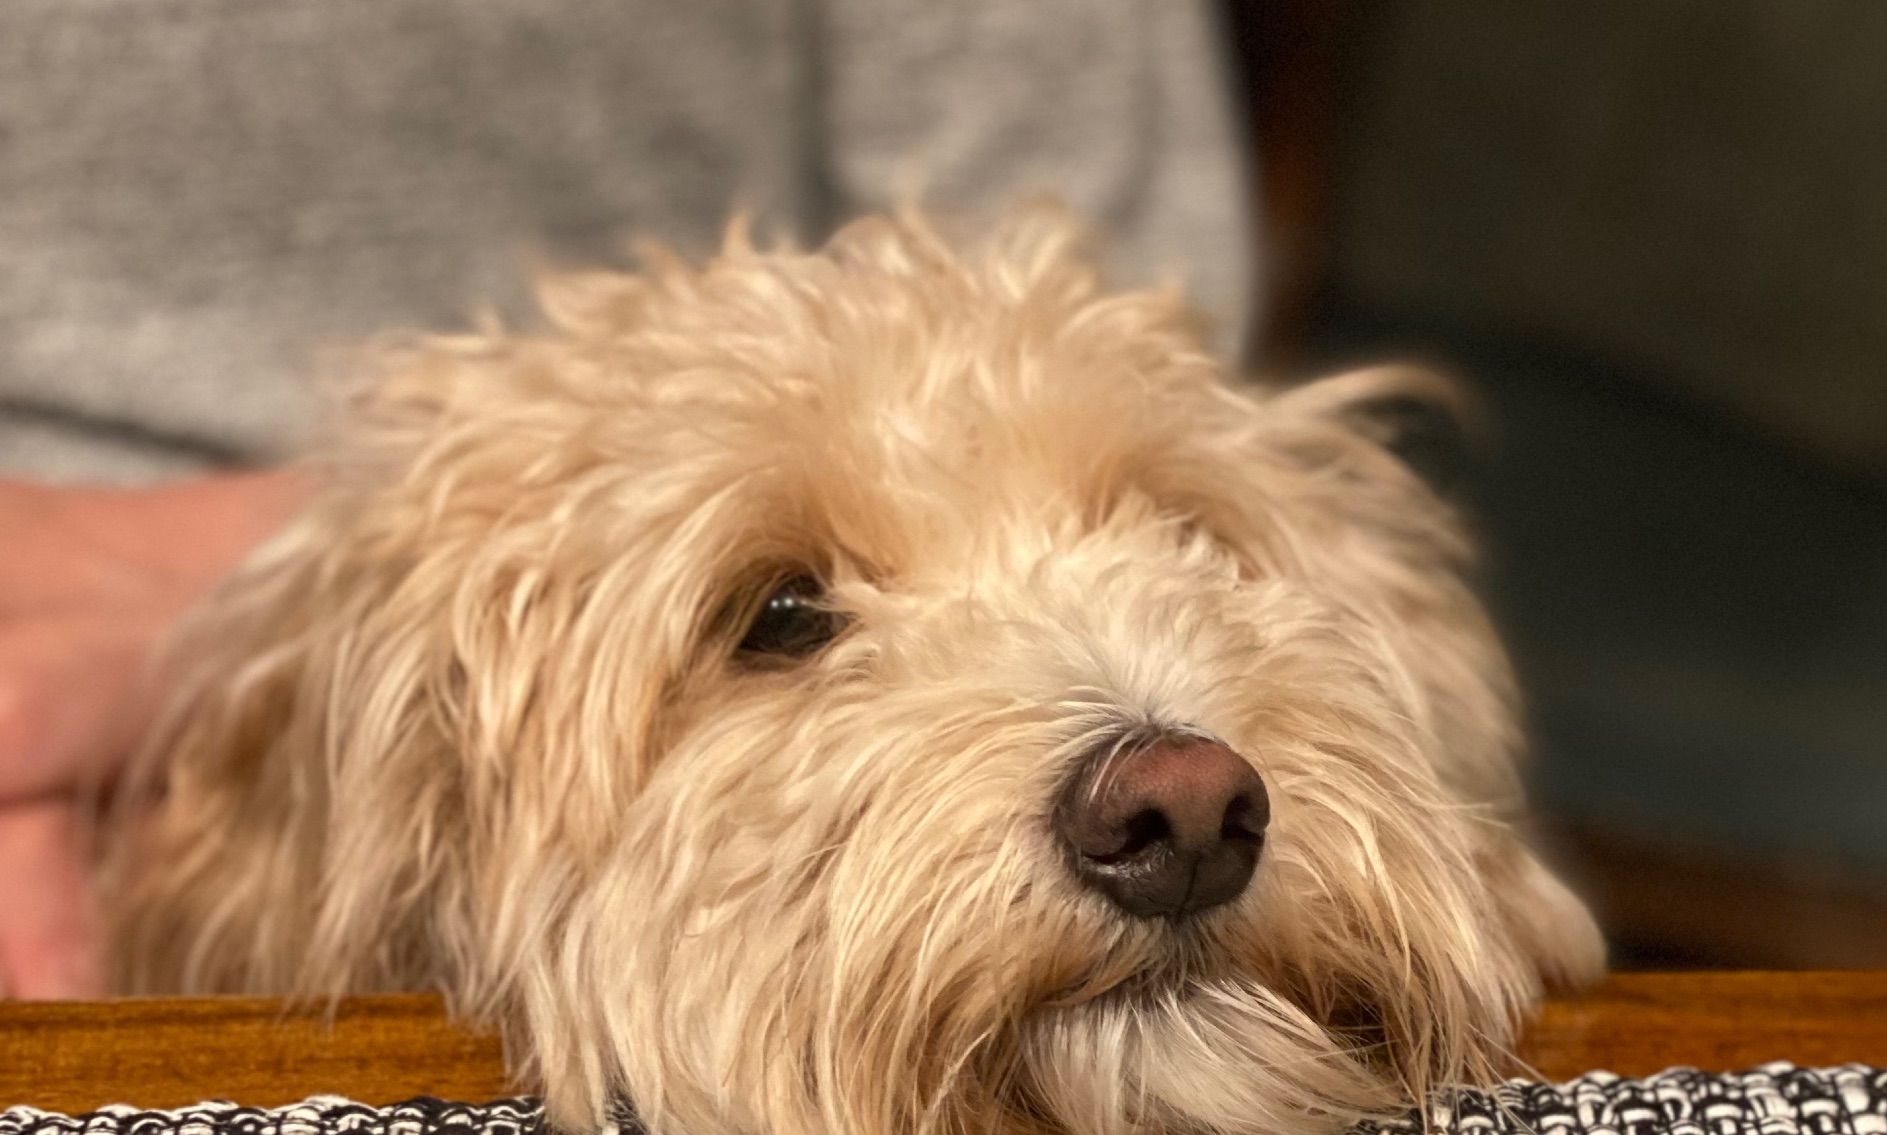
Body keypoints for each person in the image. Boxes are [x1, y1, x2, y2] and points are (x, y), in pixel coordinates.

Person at [0, 0, 1255, 997]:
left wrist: (250, 569)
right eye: (790, 617)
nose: (1169, 794)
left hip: (432, 565)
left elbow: (1114, 300)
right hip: (382, 687)